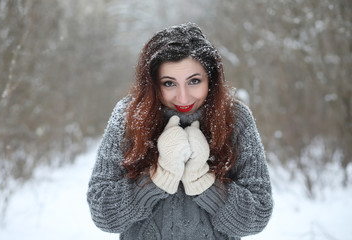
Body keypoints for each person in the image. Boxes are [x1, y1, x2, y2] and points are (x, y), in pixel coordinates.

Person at [87, 22, 273, 240]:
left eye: (194, 81)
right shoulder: (129, 116)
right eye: (169, 83)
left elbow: (258, 216)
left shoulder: (235, 118)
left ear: (211, 79)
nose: (183, 98)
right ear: (153, 83)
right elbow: (103, 215)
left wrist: (202, 181)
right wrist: (158, 177)